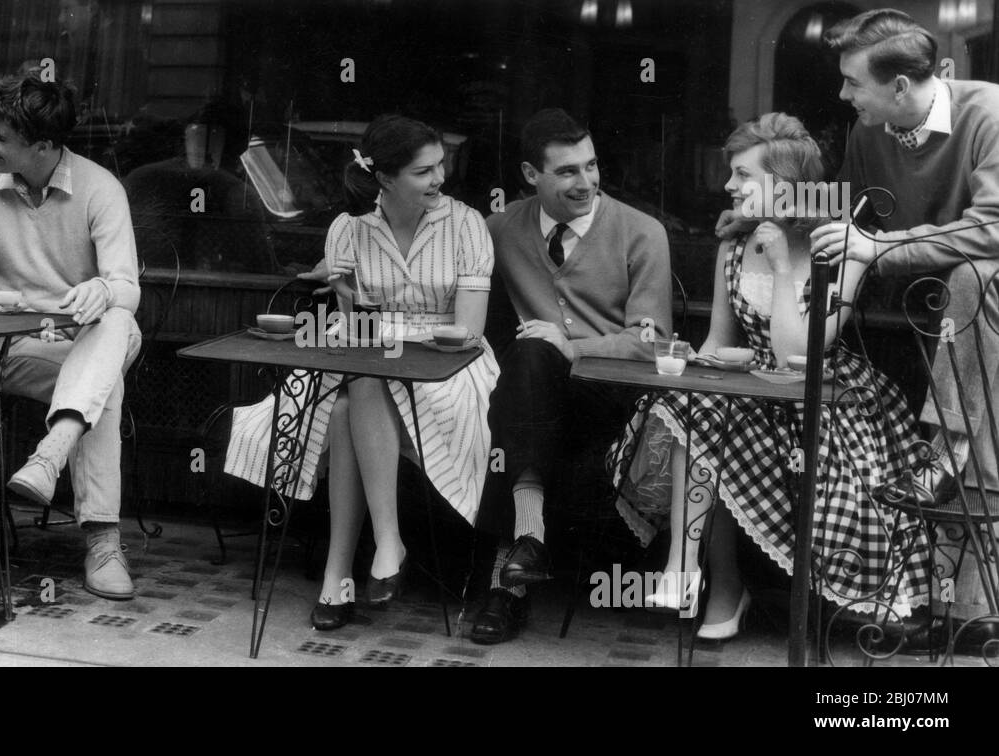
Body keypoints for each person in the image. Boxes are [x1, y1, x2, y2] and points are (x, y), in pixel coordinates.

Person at [614, 112, 931, 640]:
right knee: (689, 408)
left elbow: (798, 350)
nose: (728, 186)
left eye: (742, 176)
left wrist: (784, 267)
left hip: (828, 398)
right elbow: (720, 340)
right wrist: (692, 369)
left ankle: (719, 585)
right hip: (756, 390)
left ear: (783, 187)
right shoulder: (733, 244)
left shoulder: (841, 243)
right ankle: (689, 571)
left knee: (707, 421)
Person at [224, 115, 500, 630]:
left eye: (441, 165)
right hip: (367, 365)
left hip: (448, 372)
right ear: (386, 178)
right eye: (423, 171)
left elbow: (465, 333)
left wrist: (382, 334)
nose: (439, 178)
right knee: (356, 391)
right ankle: (379, 550)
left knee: (359, 389)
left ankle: (344, 572)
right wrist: (348, 297)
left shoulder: (466, 225)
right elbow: (354, 332)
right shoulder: (348, 229)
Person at [809, 8, 999, 624]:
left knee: (974, 275)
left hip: (981, 293)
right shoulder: (869, 135)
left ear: (898, 87)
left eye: (853, 83)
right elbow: (848, 218)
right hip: (931, 313)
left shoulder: (990, 114)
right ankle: (956, 610)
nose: (843, 95)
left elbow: (993, 230)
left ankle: (942, 457)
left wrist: (883, 249)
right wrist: (765, 210)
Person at [469, 108, 673, 644]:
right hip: (534, 394)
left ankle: (506, 584)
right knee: (529, 366)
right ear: (530, 174)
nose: (586, 182)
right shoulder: (498, 227)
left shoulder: (641, 232)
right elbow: (442, 264)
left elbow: (651, 340)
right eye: (567, 172)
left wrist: (573, 345)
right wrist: (345, 271)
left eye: (591, 167)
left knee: (533, 361)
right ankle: (522, 551)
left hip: (610, 396)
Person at [0, 71, 143, 600]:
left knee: (117, 323)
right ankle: (103, 541)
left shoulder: (100, 188)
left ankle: (50, 454)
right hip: (12, 348)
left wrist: (102, 292)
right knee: (104, 390)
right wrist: (17, 301)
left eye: (0, 137)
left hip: (87, 342)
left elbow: (127, 287)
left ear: (43, 146)